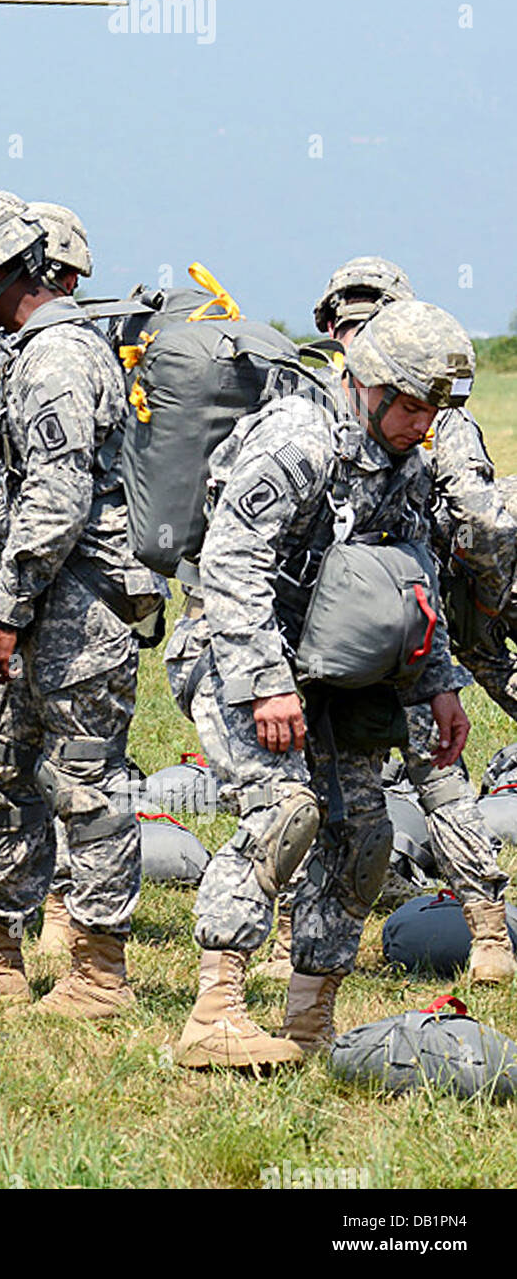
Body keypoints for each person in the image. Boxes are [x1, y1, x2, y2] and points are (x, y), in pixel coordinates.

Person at [171, 298, 474, 1070]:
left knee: (365, 835)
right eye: (412, 405)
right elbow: (232, 564)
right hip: (237, 651)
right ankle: (216, 1012)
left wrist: (439, 684)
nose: (422, 423)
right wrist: (266, 683)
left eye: (435, 409)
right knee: (287, 811)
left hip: (335, 668)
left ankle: (310, 1018)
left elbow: (414, 579)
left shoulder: (404, 463)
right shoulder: (297, 440)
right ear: (368, 386)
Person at [0, 189, 164, 1017]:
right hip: (34, 602)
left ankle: (100, 971)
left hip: (79, 611)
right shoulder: (20, 353)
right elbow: (11, 493)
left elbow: (58, 502)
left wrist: (12, 610)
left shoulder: (59, 358)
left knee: (87, 786)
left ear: (5, 274)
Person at [255, 259, 514, 985]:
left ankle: (291, 947)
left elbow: (475, 519)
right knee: (407, 778)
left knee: (342, 779)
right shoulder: (397, 413)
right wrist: (479, 608)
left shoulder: (365, 405)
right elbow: (479, 522)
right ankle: (484, 932)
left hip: (381, 625)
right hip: (392, 619)